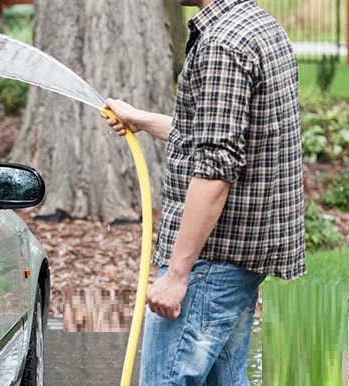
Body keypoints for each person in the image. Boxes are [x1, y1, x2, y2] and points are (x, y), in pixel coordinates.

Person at [103, 0, 305, 384]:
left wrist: (178, 274)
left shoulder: (222, 44)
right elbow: (221, 136)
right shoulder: (258, 25)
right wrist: (142, 120)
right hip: (238, 258)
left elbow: (215, 171)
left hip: (211, 261)